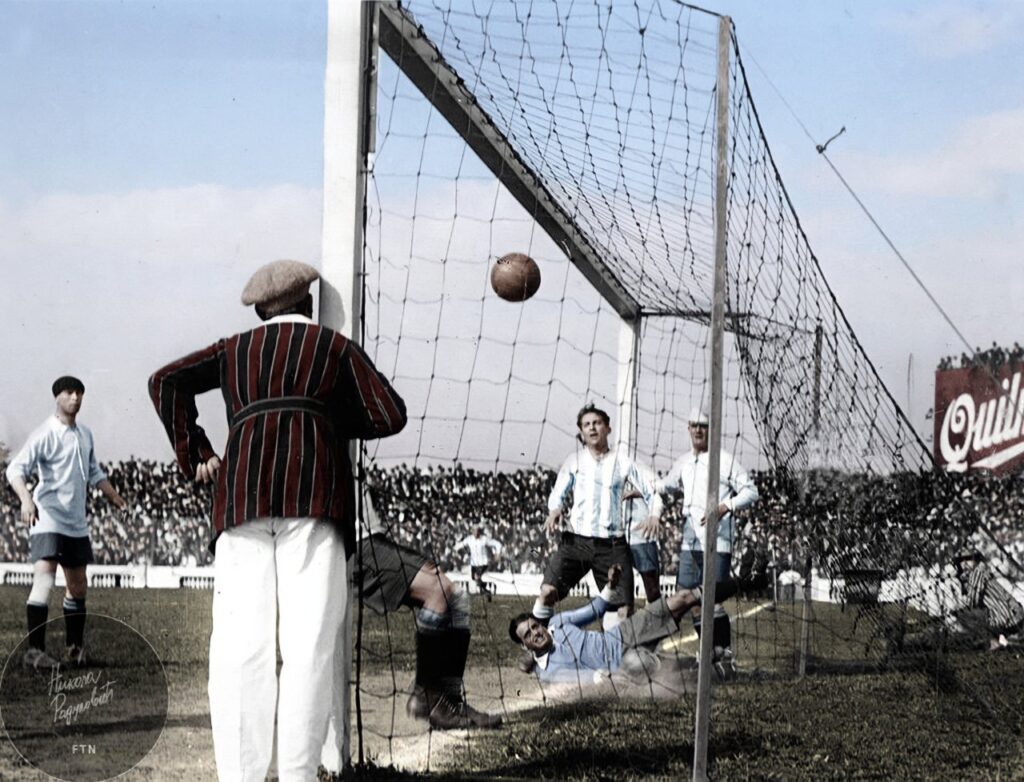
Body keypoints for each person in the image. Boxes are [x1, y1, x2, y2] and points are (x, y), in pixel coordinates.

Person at [148, 259, 406, 782]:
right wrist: (322, 417)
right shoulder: (333, 345)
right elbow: (389, 413)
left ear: (260, 312)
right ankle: (297, 774)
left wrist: (197, 451)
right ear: (309, 303)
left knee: (241, 648)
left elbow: (164, 382)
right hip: (314, 498)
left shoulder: (233, 349)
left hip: (240, 499)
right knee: (308, 647)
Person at [6, 375, 129, 670]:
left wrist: (115, 497)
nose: (75, 398)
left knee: (78, 587)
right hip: (47, 516)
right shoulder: (45, 433)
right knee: (44, 580)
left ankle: (74, 650)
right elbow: (15, 469)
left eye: (79, 393)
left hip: (76, 522)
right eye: (70, 392)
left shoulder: (84, 434)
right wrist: (26, 500)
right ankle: (35, 652)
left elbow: (94, 471)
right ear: (57, 397)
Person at [354, 491, 501, 729]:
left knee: (457, 599)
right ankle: (427, 698)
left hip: (372, 539)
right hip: (358, 542)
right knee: (439, 590)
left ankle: (450, 700)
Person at [534, 403, 663, 635]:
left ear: (608, 428)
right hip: (576, 543)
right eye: (587, 425)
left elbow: (652, 492)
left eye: (597, 423)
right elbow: (558, 494)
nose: (592, 428)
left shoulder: (623, 462)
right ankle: (538, 646)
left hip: (611, 546)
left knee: (623, 609)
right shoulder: (574, 461)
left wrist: (654, 515)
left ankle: (612, 655)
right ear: (581, 432)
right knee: (547, 592)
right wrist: (555, 510)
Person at [656, 407, 759, 677]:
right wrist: (641, 484)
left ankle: (725, 655)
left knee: (711, 599)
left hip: (717, 541)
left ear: (711, 429)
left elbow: (751, 491)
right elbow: (665, 485)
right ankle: (708, 653)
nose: (698, 430)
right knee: (690, 601)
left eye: (703, 425)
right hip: (690, 542)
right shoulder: (683, 462)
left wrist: (726, 506)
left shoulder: (724, 460)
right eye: (694, 425)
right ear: (689, 428)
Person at [510, 563, 738, 683]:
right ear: (524, 646)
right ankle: (713, 669)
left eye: (534, 626)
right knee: (644, 666)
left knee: (684, 598)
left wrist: (610, 585)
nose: (535, 632)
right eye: (528, 635)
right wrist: (605, 678)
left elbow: (594, 610)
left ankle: (744, 583)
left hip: (622, 634)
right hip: (621, 665)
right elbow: (583, 679)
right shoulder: (547, 671)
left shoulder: (557, 623)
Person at [956, 552, 1024, 651]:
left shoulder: (978, 572)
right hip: (1011, 613)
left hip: (1008, 615)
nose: (964, 563)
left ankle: (1001, 642)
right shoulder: (978, 572)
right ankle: (1004, 640)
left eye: (968, 559)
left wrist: (960, 604)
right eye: (961, 561)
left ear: (976, 559)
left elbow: (973, 600)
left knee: (965, 615)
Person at [455, 526, 504, 600]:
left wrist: (497, 553)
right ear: (472, 531)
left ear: (479, 532)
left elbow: (497, 544)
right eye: (474, 531)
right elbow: (461, 545)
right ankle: (487, 591)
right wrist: (455, 548)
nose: (476, 533)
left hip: (483, 563)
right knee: (475, 580)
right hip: (474, 564)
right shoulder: (469, 539)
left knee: (476, 577)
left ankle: (486, 590)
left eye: (477, 531)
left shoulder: (484, 539)